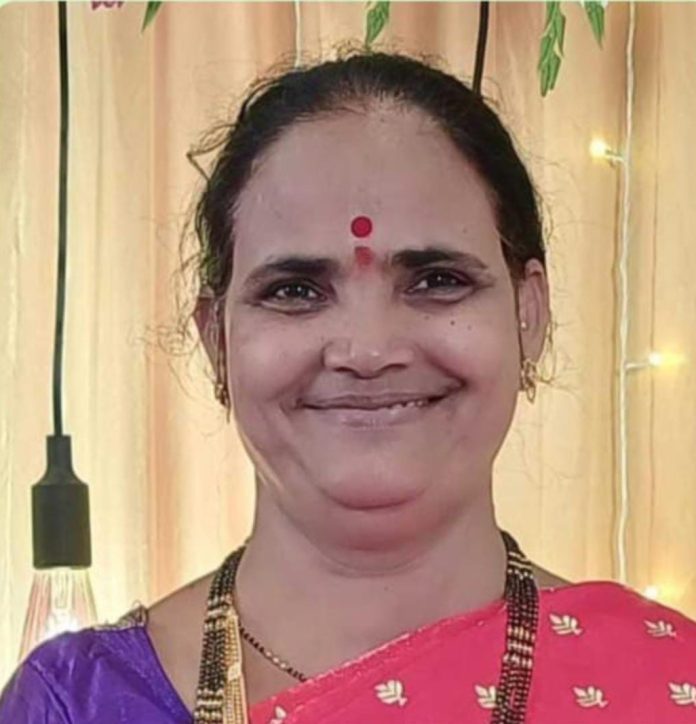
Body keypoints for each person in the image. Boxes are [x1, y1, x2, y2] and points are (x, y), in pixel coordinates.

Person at [3, 49, 696, 724]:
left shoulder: (670, 687)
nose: (367, 350)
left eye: (437, 280)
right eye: (295, 290)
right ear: (217, 338)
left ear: (530, 313)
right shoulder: (77, 704)